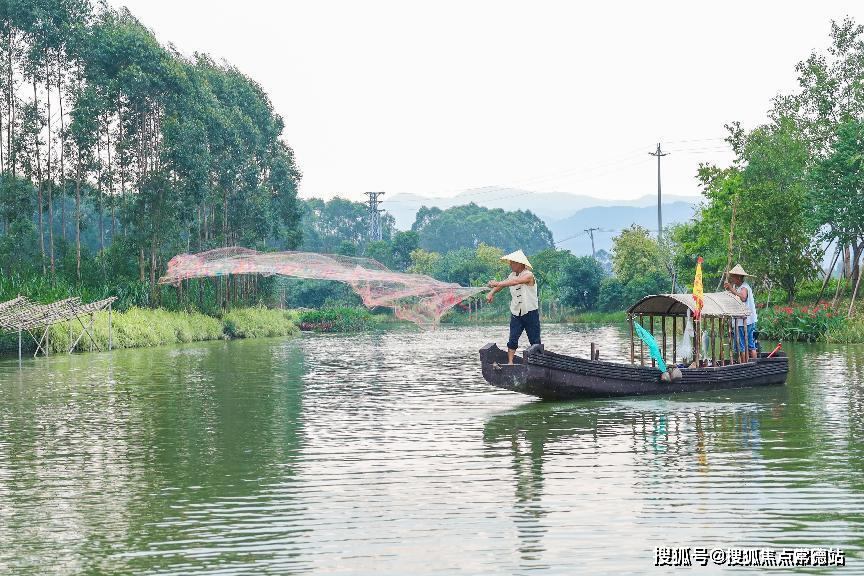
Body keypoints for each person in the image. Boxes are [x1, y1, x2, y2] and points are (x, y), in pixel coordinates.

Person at [486, 249, 540, 365]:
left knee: (535, 341)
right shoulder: (511, 275)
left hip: (530, 312)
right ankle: (510, 363)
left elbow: (515, 282)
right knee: (512, 339)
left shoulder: (528, 275)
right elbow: (503, 285)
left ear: (520, 263)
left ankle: (538, 363)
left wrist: (498, 283)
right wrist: (491, 293)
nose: (510, 265)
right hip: (516, 313)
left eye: (513, 262)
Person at [723, 264, 758, 362]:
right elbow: (736, 297)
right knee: (750, 344)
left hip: (744, 322)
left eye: (733, 277)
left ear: (738, 277)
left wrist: (731, 289)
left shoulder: (744, 287)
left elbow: (743, 297)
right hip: (748, 320)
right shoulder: (739, 287)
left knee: (742, 345)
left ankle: (744, 364)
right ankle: (753, 365)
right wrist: (730, 290)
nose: (732, 279)